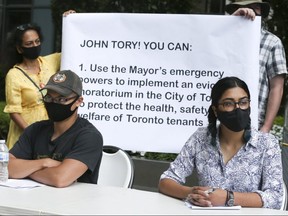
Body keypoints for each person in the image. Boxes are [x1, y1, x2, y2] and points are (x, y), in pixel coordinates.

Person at [158, 76, 283, 209]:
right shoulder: (201, 138)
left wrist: (229, 198)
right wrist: (192, 193)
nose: (238, 108)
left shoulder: (267, 144)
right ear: (215, 110)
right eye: (228, 103)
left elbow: (275, 197)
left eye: (243, 102)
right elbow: (166, 181)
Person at [8, 69, 103, 188]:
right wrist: (45, 163)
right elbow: (6, 167)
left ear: (78, 101)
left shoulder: (89, 136)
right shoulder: (35, 130)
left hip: (74, 203)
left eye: (62, 99)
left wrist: (24, 171)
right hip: (34, 202)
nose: (53, 103)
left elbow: (60, 179)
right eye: (49, 98)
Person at [3, 10, 76, 149]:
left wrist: (70, 21)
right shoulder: (14, 74)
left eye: (37, 41)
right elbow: (14, 112)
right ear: (19, 48)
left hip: (50, 134)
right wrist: (32, 134)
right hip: (25, 138)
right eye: (29, 43)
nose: (35, 46)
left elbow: (72, 49)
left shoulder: (50, 61)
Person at [225, 0, 287, 133]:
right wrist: (231, 23)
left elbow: (277, 87)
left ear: (261, 12)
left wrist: (266, 127)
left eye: (254, 8)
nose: (249, 12)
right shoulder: (223, 38)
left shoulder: (272, 42)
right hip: (219, 122)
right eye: (243, 8)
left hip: (253, 125)